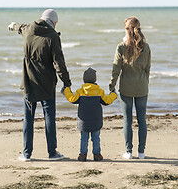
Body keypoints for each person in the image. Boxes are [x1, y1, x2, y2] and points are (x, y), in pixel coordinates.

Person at [8, 9, 72, 161]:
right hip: (47, 84)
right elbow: (59, 63)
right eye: (55, 23)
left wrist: (11, 25)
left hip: (29, 83)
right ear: (52, 22)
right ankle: (52, 153)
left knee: (28, 118)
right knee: (49, 117)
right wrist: (67, 82)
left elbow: (19, 27)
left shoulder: (29, 29)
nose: (55, 25)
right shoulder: (53, 37)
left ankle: (26, 154)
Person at [109, 16, 151, 160]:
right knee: (142, 120)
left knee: (127, 120)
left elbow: (116, 69)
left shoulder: (121, 46)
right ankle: (141, 153)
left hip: (126, 87)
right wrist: (145, 82)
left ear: (126, 29)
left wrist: (111, 85)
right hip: (142, 87)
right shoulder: (146, 47)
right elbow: (147, 69)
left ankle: (129, 152)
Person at [63, 67, 117, 162]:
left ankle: (83, 155)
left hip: (83, 121)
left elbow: (72, 99)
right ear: (95, 79)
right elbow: (107, 101)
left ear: (84, 80)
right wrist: (113, 94)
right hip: (96, 120)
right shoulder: (99, 91)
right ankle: (97, 154)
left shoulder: (80, 92)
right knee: (96, 138)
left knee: (84, 138)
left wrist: (66, 89)